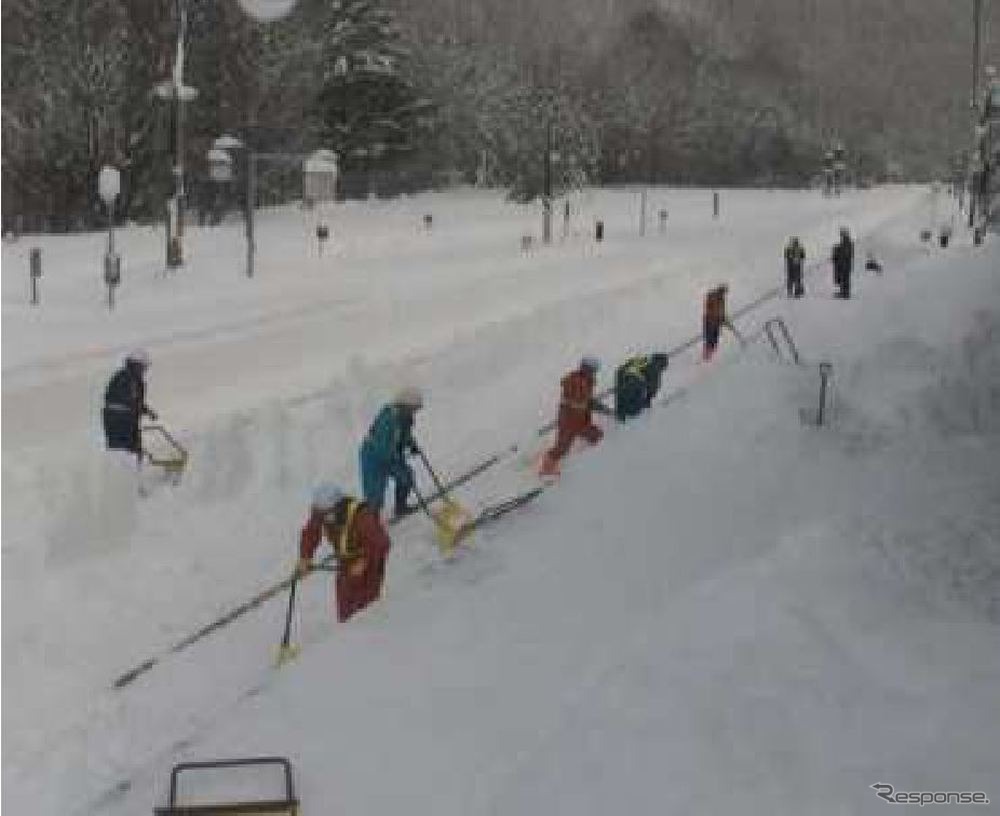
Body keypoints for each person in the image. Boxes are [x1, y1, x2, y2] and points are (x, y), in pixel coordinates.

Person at [296, 483, 391, 623]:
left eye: (326, 514)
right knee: (345, 603)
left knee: (365, 607)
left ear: (337, 507)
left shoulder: (361, 517)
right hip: (346, 563)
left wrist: (364, 562)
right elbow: (311, 532)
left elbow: (382, 543)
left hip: (370, 562)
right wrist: (305, 557)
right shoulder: (323, 512)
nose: (323, 518)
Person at [538, 356, 611, 477]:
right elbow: (580, 401)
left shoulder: (586, 381)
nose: (594, 374)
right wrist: (597, 406)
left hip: (579, 419)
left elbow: (585, 401)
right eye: (593, 371)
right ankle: (546, 469)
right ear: (586, 369)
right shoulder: (577, 382)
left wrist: (592, 404)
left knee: (596, 435)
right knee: (562, 447)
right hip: (570, 420)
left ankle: (584, 458)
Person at [359, 387, 423, 516]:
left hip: (392, 455)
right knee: (374, 493)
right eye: (413, 409)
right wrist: (396, 455)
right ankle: (371, 523)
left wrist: (411, 445)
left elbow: (404, 434)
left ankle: (400, 507)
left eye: (416, 409)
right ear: (404, 405)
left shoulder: (405, 418)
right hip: (373, 457)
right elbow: (382, 447)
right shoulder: (388, 419)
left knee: (406, 477)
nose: (414, 412)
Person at [103, 349, 156, 459]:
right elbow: (130, 400)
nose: (144, 370)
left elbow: (130, 400)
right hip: (123, 420)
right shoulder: (132, 379)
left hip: (114, 418)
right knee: (130, 450)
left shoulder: (121, 376)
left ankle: (122, 470)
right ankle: (130, 471)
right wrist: (139, 410)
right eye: (143, 367)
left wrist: (146, 411)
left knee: (120, 450)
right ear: (137, 365)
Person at [614, 353, 669, 421]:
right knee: (633, 410)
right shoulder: (654, 368)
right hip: (635, 381)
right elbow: (653, 387)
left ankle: (622, 410)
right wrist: (648, 400)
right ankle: (625, 410)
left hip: (625, 375)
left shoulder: (643, 360)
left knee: (625, 395)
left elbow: (621, 371)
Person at [703, 284, 739, 360]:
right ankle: (706, 356)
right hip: (709, 321)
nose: (723, 295)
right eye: (723, 293)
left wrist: (723, 319)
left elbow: (721, 311)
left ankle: (709, 356)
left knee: (715, 341)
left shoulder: (721, 299)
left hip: (716, 322)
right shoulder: (712, 297)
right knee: (709, 339)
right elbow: (709, 309)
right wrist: (716, 318)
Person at [831, 227, 854, 299]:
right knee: (843, 278)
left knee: (844, 278)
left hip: (844, 264)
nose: (840, 236)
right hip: (845, 264)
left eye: (841, 234)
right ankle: (843, 292)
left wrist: (837, 251)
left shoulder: (846, 243)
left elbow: (846, 254)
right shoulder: (847, 242)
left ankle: (845, 293)